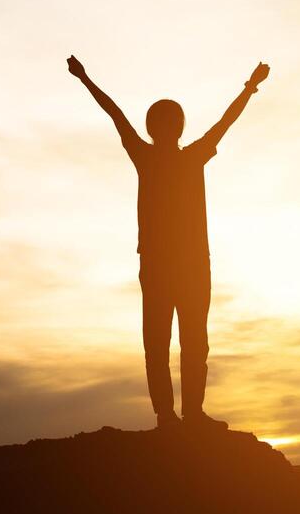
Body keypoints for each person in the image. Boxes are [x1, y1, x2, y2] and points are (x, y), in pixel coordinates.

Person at [67, 54, 270, 432]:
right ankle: (168, 416)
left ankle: (189, 415)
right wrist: (85, 78)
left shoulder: (184, 156)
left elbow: (225, 121)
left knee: (190, 342)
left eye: (170, 121)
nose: (167, 127)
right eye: (164, 122)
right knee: (162, 344)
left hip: (190, 264)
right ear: (160, 128)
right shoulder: (157, 157)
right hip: (165, 265)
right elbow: (116, 114)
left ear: (174, 127)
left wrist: (250, 87)